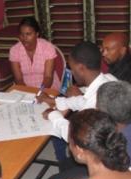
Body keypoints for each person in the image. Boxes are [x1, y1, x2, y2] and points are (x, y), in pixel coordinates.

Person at [36, 41, 117, 170]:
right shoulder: (109, 78)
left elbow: (74, 136)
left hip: (100, 158)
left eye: (72, 69)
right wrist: (55, 101)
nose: (71, 73)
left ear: (81, 68)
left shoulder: (93, 105)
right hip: (111, 141)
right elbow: (83, 100)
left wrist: (53, 115)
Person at [102, 32, 131, 121]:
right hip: (120, 114)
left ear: (122, 50)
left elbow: (125, 106)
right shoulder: (116, 64)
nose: (104, 53)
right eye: (103, 49)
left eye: (108, 49)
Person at [9, 17, 60, 91]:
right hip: (24, 89)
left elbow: (48, 77)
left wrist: (39, 92)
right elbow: (18, 79)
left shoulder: (47, 48)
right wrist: (28, 93)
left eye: (28, 34)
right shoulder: (14, 50)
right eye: (21, 34)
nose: (24, 38)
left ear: (37, 34)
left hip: (47, 89)